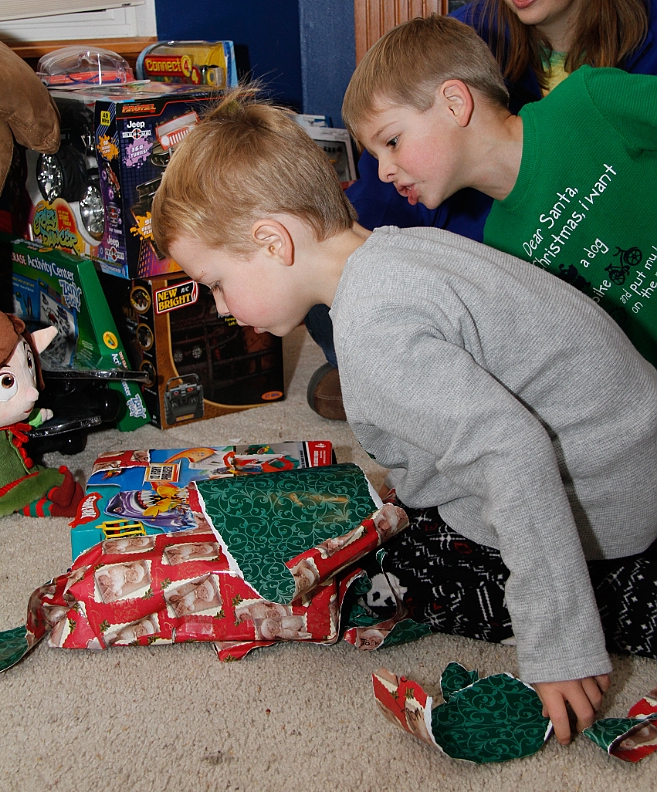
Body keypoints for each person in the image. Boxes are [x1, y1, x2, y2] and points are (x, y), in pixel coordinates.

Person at [151, 95, 657, 746]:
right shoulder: (400, 251)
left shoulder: (371, 329)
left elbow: (509, 450)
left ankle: (626, 597)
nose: (220, 307)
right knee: (409, 514)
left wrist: (559, 641)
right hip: (632, 444)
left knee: (402, 575)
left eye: (216, 282)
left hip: (609, 502)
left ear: (272, 241)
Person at [307, 0, 657, 418]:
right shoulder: (468, 38)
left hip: (611, 278)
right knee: (332, 291)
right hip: (499, 262)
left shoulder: (614, 77)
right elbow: (386, 182)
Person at [342, 13, 657, 368]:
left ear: (454, 104)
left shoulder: (588, 103)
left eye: (392, 142)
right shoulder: (500, 244)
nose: (383, 172)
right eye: (376, 156)